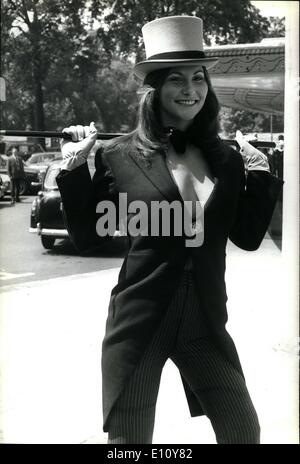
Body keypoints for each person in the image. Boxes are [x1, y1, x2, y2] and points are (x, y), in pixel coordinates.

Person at [56, 16, 283, 444]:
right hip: (142, 319)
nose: (190, 89)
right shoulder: (118, 155)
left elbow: (247, 237)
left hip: (205, 320)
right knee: (130, 443)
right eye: (176, 79)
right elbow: (88, 237)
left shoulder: (227, 159)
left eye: (198, 78)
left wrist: (261, 173)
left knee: (242, 430)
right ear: (155, 89)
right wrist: (73, 169)